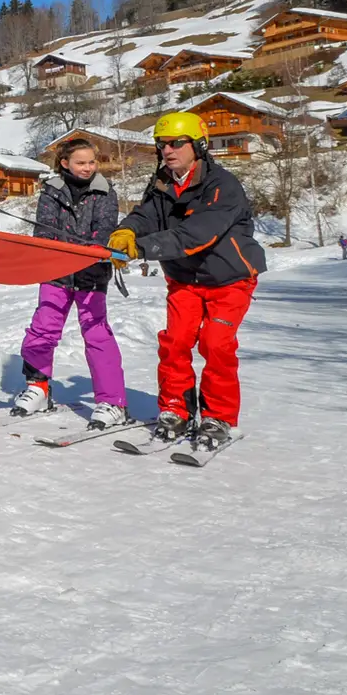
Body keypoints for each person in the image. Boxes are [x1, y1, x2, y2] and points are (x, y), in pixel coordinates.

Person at [107, 111, 267, 453]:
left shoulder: (222, 185)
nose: (168, 150)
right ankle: (175, 410)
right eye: (162, 144)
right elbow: (147, 214)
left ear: (198, 145)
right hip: (184, 279)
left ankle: (219, 416)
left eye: (177, 143)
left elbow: (196, 234)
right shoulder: (163, 183)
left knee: (216, 343)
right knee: (176, 342)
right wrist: (127, 231)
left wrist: (143, 248)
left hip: (229, 278)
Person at [6, 139, 128, 429]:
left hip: (91, 272)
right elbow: (44, 228)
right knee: (42, 328)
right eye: (81, 162)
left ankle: (112, 401)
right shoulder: (52, 191)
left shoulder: (105, 191)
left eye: (91, 162)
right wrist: (50, 253)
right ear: (65, 164)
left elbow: (105, 228)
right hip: (56, 272)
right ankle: (39, 388)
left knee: (96, 333)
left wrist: (89, 253)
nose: (88, 168)